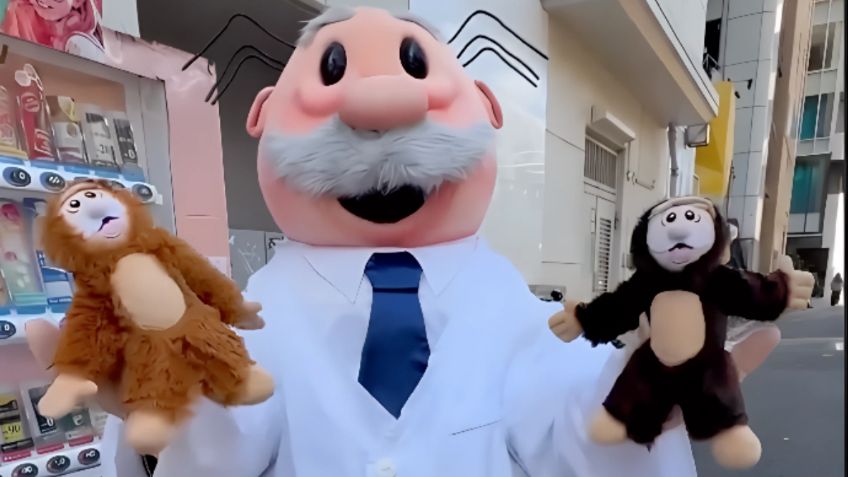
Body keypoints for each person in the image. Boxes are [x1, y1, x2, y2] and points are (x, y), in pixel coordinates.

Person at [26, 7, 791, 477]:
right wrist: (168, 411)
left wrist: (647, 393)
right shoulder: (258, 312)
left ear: (485, 109)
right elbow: (233, 445)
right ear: (263, 115)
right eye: (334, 73)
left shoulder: (505, 303)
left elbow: (562, 422)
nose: (377, 107)